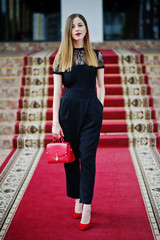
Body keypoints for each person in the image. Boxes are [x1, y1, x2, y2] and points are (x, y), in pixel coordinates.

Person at [52, 13, 105, 231]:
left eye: (80, 24)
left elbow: (101, 86)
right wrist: (55, 121)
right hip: (68, 112)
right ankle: (77, 197)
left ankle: (88, 205)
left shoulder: (96, 55)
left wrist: (99, 107)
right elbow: (57, 93)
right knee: (72, 159)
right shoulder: (61, 57)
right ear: (68, 30)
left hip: (92, 112)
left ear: (85, 28)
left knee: (89, 159)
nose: (77, 28)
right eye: (73, 26)